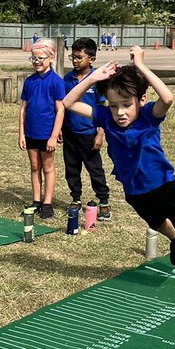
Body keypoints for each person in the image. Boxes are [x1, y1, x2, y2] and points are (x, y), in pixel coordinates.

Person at [62, 48, 175, 265]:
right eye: (114, 105)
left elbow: (167, 97)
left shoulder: (148, 117)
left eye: (127, 105)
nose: (120, 113)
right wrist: (93, 78)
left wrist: (141, 66)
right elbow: (68, 102)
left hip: (166, 187)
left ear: (141, 100)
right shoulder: (106, 117)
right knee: (157, 224)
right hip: (135, 192)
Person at [62, 38, 111, 221]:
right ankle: (75, 198)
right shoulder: (67, 79)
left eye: (79, 57)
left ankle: (104, 202)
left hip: (89, 134)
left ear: (91, 59)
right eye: (72, 57)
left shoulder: (98, 80)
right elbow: (63, 106)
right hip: (69, 133)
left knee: (95, 169)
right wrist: (59, 128)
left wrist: (100, 134)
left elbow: (103, 107)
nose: (75, 61)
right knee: (71, 168)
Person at [18, 39, 65, 219]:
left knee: (48, 167)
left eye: (41, 58)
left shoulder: (56, 82)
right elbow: (23, 109)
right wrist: (21, 133)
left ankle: (47, 203)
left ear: (51, 58)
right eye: (33, 58)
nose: (37, 61)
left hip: (46, 134)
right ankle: (36, 201)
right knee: (34, 166)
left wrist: (53, 136)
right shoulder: (29, 81)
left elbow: (60, 110)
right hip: (31, 132)